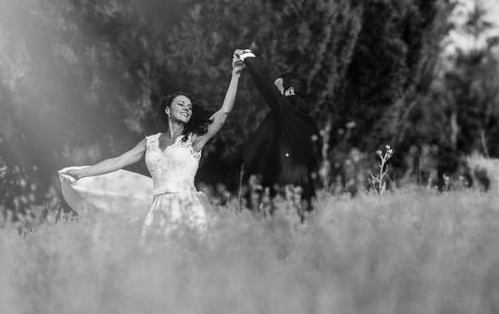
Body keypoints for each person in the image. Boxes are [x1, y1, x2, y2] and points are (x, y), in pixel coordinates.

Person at [59, 52, 243, 237]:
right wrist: (83, 172)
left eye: (189, 107)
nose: (187, 108)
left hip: (188, 207)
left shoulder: (194, 139)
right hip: (158, 210)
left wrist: (235, 74)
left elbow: (224, 112)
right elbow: (118, 161)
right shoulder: (150, 142)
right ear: (167, 110)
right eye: (181, 104)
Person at [237, 49, 322, 211]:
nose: (276, 96)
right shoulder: (311, 121)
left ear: (289, 91)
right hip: (306, 189)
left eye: (278, 91)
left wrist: (248, 57)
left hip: (284, 184)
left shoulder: (288, 109)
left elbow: (265, 84)